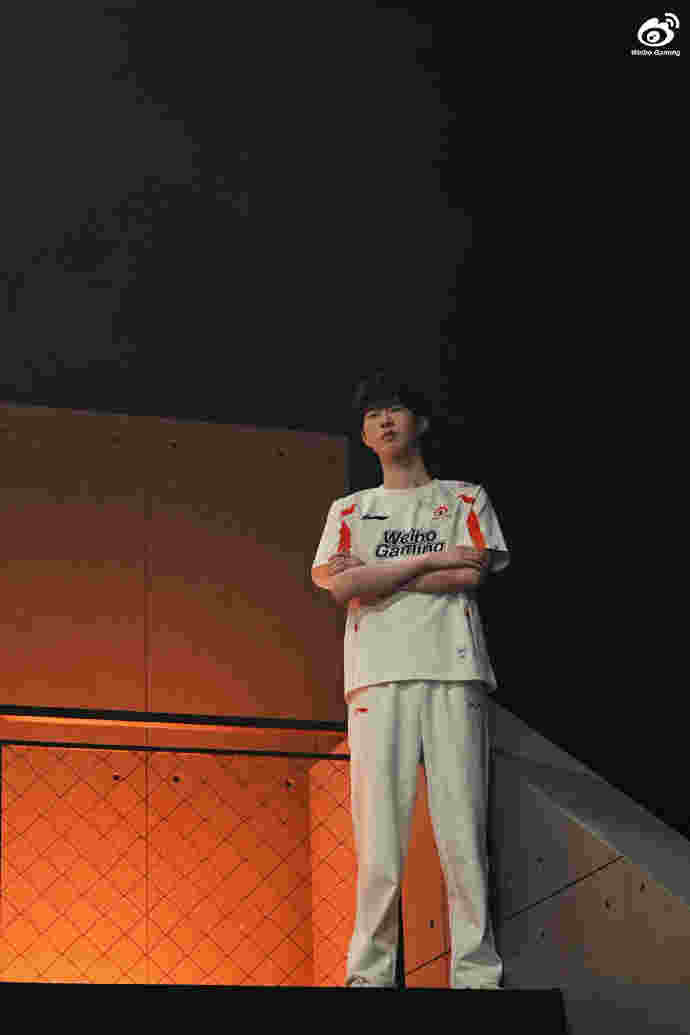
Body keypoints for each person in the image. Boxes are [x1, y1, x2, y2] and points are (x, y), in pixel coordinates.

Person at [311, 372, 510, 989]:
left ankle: (475, 973)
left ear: (419, 421)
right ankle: (369, 974)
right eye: (373, 415)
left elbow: (471, 573)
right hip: (376, 676)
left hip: (454, 670)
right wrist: (432, 558)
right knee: (378, 838)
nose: (385, 421)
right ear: (364, 434)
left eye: (395, 410)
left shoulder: (465, 498)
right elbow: (342, 585)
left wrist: (378, 573)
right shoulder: (349, 510)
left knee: (463, 830)